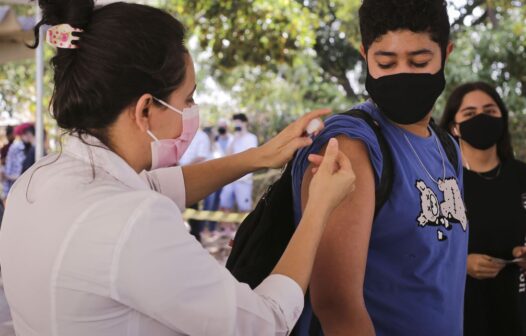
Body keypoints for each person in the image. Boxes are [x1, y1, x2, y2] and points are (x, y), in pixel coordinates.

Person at [0, 2, 356, 336]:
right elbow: (264, 322)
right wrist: (318, 209)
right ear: (144, 111)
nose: (193, 112)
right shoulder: (129, 220)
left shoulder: (41, 178)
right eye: (187, 100)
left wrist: (258, 157)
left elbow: (159, 185)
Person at [291, 0, 468, 335]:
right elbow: (335, 306)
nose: (403, 74)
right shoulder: (350, 145)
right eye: (385, 62)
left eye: (419, 61)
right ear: (364, 55)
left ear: (447, 53)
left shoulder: (447, 148)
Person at [439, 81, 526, 336]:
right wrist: (461, 264)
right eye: (469, 113)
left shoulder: (521, 175)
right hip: (461, 316)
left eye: (490, 111)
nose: (481, 118)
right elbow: (416, 251)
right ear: (455, 126)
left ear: (502, 118)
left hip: (516, 313)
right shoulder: (440, 182)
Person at [220, 113, 259, 214]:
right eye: (235, 123)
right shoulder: (233, 138)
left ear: (245, 123)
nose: (237, 125)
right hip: (230, 177)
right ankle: (227, 229)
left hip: (244, 178)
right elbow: (227, 155)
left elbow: (252, 156)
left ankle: (245, 229)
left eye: (238, 122)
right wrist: (234, 139)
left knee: (244, 208)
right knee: (224, 204)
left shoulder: (252, 138)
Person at [178, 127, 211, 241]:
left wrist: (184, 167)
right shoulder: (181, 134)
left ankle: (196, 236)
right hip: (178, 174)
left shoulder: (202, 136)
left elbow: (202, 156)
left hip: (194, 175)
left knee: (193, 206)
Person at [3, 123, 33, 198]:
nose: (28, 135)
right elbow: (8, 172)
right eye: (26, 133)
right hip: (16, 189)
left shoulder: (34, 147)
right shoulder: (15, 148)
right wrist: (6, 194)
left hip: (29, 189)